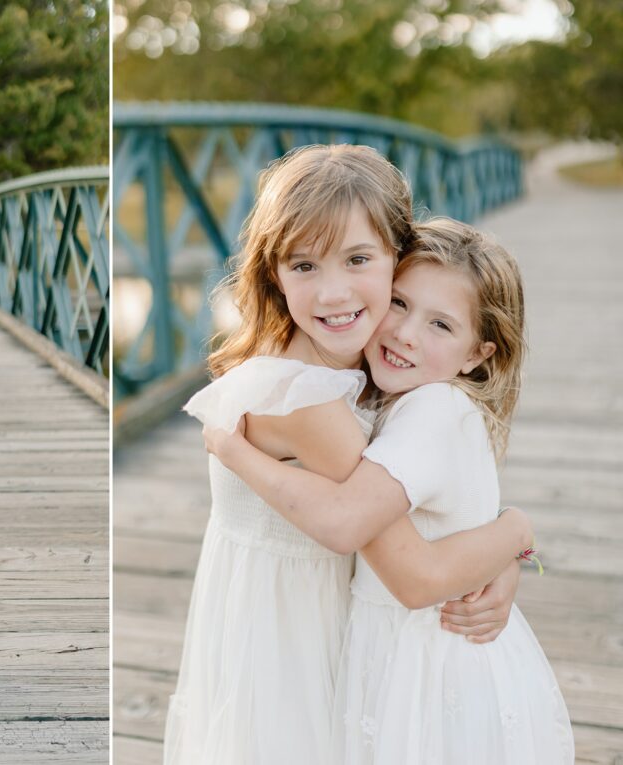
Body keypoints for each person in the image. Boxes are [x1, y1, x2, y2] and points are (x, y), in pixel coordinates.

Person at [167, 145, 528, 764]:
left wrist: (511, 557)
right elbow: (411, 564)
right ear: (272, 274)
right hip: (296, 638)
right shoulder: (306, 401)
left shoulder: (350, 358)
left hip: (298, 616)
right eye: (303, 265)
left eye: (358, 259)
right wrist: (518, 532)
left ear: (399, 259)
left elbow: (426, 517)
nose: (334, 293)